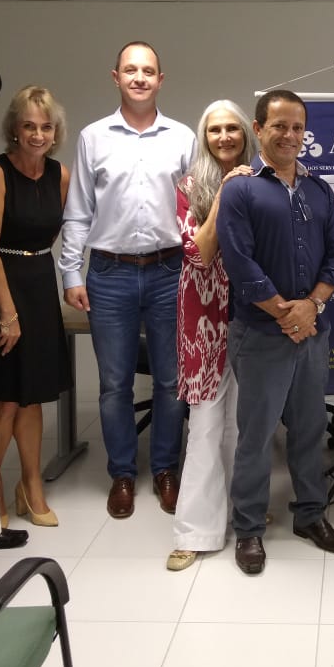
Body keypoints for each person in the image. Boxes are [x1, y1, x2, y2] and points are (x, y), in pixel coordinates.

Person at [216, 89, 334, 575]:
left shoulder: (319, 190)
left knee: (310, 429)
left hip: (312, 331)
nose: (290, 135)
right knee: (256, 435)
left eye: (297, 127)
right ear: (259, 129)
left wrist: (311, 307)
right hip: (260, 335)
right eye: (279, 126)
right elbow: (239, 262)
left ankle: (310, 515)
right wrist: (284, 313)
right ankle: (249, 527)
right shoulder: (241, 189)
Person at [60, 41, 196, 519]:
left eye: (148, 71)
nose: (140, 78)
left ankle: (165, 469)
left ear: (161, 80)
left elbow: (197, 209)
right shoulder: (93, 137)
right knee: (114, 383)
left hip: (169, 271)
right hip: (110, 273)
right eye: (130, 70)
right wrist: (71, 271)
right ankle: (121, 472)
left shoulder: (182, 138)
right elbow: (78, 211)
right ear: (115, 77)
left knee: (171, 381)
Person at [166, 101, 257, 572]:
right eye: (215, 130)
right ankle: (195, 531)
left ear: (246, 133)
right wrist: (224, 194)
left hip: (253, 314)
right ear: (204, 137)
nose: (224, 137)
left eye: (232, 128)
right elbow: (198, 254)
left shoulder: (264, 180)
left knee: (244, 424)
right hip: (203, 317)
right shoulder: (189, 187)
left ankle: (244, 517)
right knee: (205, 424)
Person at [0, 86, 73, 527]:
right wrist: (7, 312)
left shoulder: (61, 175)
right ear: (14, 130)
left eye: (46, 127)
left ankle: (31, 484)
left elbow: (53, 234)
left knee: (34, 396)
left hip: (40, 281)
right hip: (3, 282)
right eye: (29, 126)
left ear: (55, 132)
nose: (38, 135)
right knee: (5, 399)